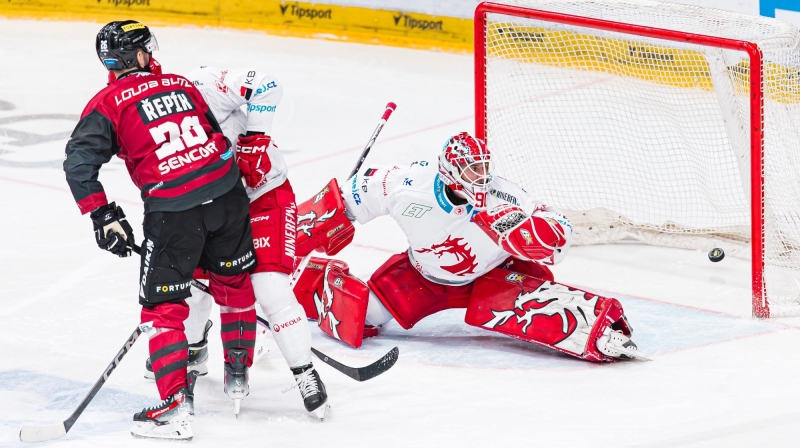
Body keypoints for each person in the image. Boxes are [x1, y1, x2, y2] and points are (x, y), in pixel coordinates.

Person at [64, 20, 259, 440]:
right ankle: (238, 372)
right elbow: (214, 134)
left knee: (162, 307)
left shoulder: (107, 103)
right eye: (146, 49)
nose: (152, 54)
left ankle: (175, 408)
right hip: (227, 194)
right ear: (136, 55)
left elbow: (78, 163)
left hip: (174, 211)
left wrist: (103, 215)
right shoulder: (181, 84)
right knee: (234, 281)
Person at [292, 132, 641, 361]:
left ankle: (603, 334)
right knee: (357, 316)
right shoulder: (406, 186)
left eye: (484, 169)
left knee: (543, 308)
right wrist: (302, 233)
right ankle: (305, 281)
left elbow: (558, 232)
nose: (482, 178)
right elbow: (345, 199)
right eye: (472, 171)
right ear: (449, 173)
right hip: (421, 279)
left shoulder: (505, 196)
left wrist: (532, 233)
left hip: (493, 277)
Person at [139, 65, 330, 420]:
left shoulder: (203, 85)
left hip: (262, 194)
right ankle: (193, 350)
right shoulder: (140, 120)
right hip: (207, 204)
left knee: (269, 286)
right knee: (190, 288)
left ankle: (304, 372)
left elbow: (266, 84)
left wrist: (254, 139)